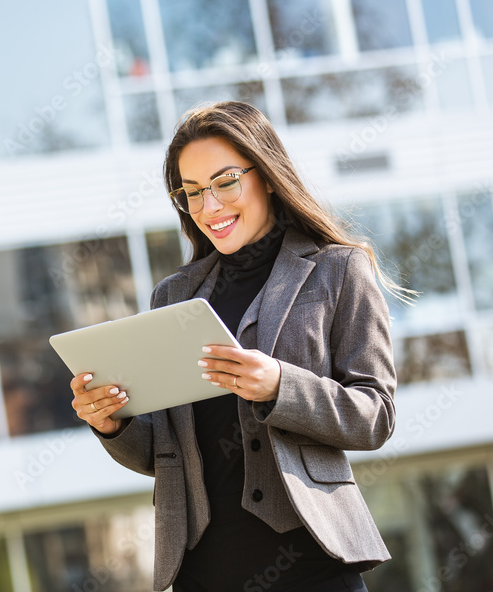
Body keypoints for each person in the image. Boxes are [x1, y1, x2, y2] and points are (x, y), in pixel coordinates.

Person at [70, 101, 406, 591]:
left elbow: (375, 415)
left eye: (225, 182)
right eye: (192, 193)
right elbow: (164, 453)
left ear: (267, 175)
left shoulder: (338, 270)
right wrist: (112, 423)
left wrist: (279, 386)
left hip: (314, 564)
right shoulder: (174, 296)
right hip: (204, 572)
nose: (210, 207)